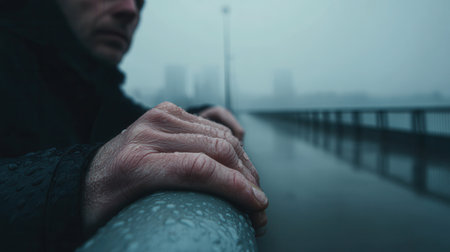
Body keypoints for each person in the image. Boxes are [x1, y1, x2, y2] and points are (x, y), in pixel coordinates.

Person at [0, 0, 268, 251]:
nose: (130, 10)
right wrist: (81, 181)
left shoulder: (91, 84)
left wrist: (195, 118)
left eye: (140, 2)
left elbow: (129, 123)